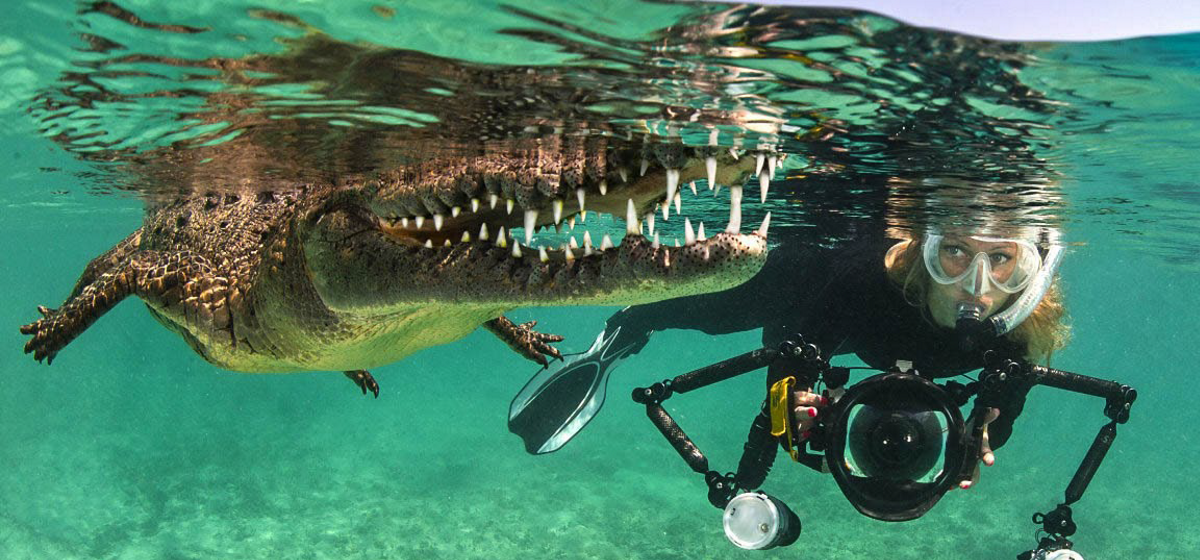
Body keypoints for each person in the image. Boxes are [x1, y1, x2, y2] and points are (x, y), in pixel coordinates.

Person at [508, 224, 1069, 487]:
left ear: (1032, 271)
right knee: (718, 312)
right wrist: (794, 410)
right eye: (954, 251)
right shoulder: (866, 282)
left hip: (850, 335)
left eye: (1003, 260)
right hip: (814, 294)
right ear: (927, 248)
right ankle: (618, 337)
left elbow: (1000, 418)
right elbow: (790, 365)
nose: (976, 283)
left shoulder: (1017, 332)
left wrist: (973, 441)